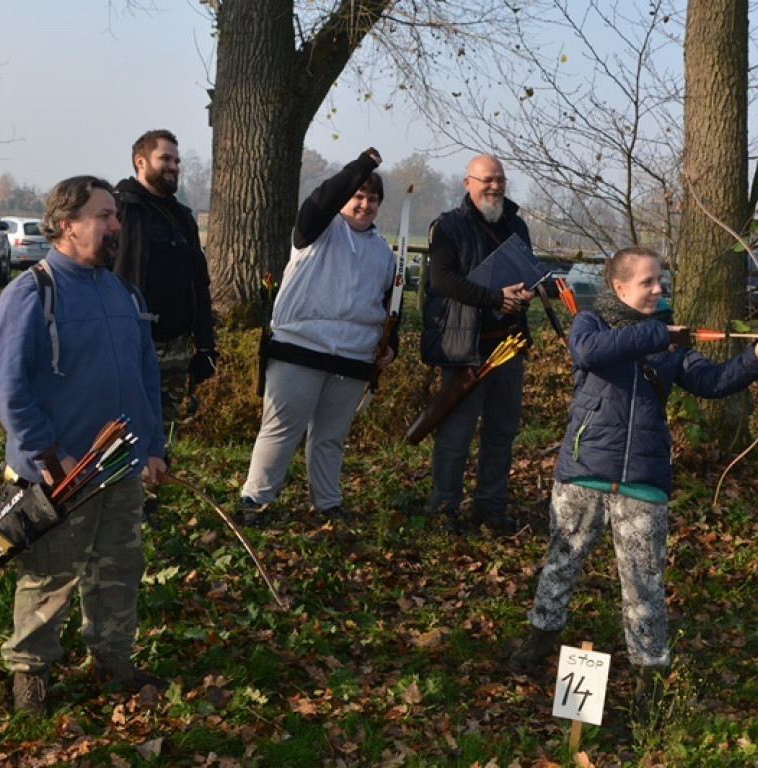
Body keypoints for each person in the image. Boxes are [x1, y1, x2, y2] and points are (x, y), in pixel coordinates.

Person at [508, 245, 758, 718]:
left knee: (644, 583)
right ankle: (541, 638)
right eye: (648, 282)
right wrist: (656, 334)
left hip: (643, 479)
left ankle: (649, 677)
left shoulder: (668, 340)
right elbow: (590, 353)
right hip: (584, 471)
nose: (659, 289)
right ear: (619, 287)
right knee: (562, 562)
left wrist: (754, 361)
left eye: (662, 281)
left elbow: (712, 380)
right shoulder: (591, 324)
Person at [0, 176, 169, 715]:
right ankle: (29, 676)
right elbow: (6, 387)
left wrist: (153, 446)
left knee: (117, 569)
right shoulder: (31, 292)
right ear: (67, 224)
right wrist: (50, 455)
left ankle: (113, 658)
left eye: (116, 216)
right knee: (49, 579)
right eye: (104, 216)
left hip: (120, 469)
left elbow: (144, 379)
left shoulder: (124, 293)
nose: (116, 226)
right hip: (57, 476)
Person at [237, 148, 397, 523]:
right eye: (358, 195)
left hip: (353, 358)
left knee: (330, 437)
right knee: (281, 429)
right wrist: (361, 167)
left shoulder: (385, 255)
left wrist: (392, 346)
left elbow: (389, 308)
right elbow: (322, 200)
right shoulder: (315, 228)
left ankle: (327, 502)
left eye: (372, 198)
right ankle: (255, 501)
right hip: (298, 348)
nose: (364, 204)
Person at [420, 154, 535, 534]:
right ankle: (443, 508)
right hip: (465, 350)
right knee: (456, 433)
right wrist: (494, 298)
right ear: (467, 182)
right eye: (487, 180)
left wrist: (529, 291)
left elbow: (527, 272)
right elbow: (442, 281)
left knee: (501, 432)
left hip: (509, 346)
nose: (495, 186)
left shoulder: (516, 225)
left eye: (500, 179)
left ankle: (491, 507)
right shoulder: (448, 227)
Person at [113, 129, 216, 434]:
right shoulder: (120, 209)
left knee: (161, 436)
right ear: (140, 161)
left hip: (176, 348)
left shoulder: (183, 217)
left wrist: (206, 346)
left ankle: (155, 482)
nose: (173, 166)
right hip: (128, 342)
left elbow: (199, 283)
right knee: (120, 433)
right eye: (165, 159)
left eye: (176, 160)